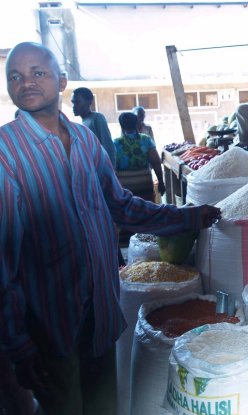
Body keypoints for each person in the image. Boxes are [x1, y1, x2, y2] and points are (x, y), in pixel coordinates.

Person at [0, 41, 221, 415]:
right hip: (50, 325)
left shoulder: (87, 142)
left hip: (100, 315)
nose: (27, 83)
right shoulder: (7, 152)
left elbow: (122, 207)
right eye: (15, 76)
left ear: (62, 81)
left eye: (38, 72)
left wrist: (186, 217)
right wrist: (18, 344)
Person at [114, 111, 165, 201]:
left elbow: (112, 167)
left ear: (121, 126)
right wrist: (161, 182)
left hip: (125, 188)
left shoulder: (116, 143)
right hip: (145, 184)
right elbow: (156, 162)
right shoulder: (146, 139)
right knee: (148, 211)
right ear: (136, 124)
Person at [71, 86, 117, 166]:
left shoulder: (97, 118)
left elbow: (107, 145)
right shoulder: (83, 123)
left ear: (89, 101)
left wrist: (110, 169)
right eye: (73, 102)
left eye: (77, 102)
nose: (74, 106)